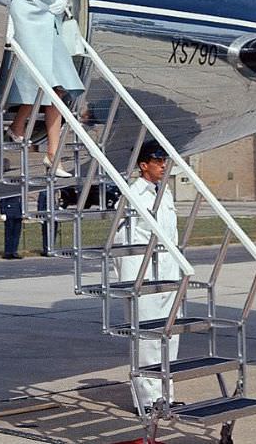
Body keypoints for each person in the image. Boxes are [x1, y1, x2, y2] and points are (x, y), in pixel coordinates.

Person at [5, 0, 84, 178]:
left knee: (58, 89)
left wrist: (61, 2)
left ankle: (53, 155)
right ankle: (20, 129)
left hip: (49, 23)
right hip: (26, 22)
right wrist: (8, 23)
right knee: (44, 86)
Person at [114, 140, 180, 413]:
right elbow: (122, 242)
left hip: (169, 272)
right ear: (144, 165)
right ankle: (147, 401)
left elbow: (173, 237)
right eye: (158, 160)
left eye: (165, 160)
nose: (164, 165)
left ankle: (167, 396)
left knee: (170, 337)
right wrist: (133, 283)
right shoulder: (132, 195)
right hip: (143, 274)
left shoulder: (165, 194)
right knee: (147, 341)